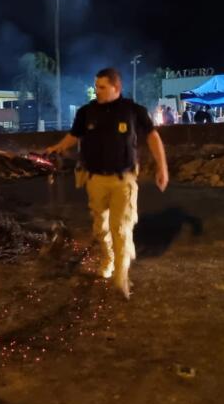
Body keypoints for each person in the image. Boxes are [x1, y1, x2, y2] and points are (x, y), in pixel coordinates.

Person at [45, 68, 169, 299]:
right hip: (95, 180)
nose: (98, 91)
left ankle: (121, 277)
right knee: (100, 227)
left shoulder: (132, 110)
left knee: (120, 228)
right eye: (97, 86)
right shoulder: (86, 112)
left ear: (116, 88)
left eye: (102, 87)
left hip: (124, 180)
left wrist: (162, 167)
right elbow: (75, 134)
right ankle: (109, 258)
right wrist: (58, 147)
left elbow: (152, 136)